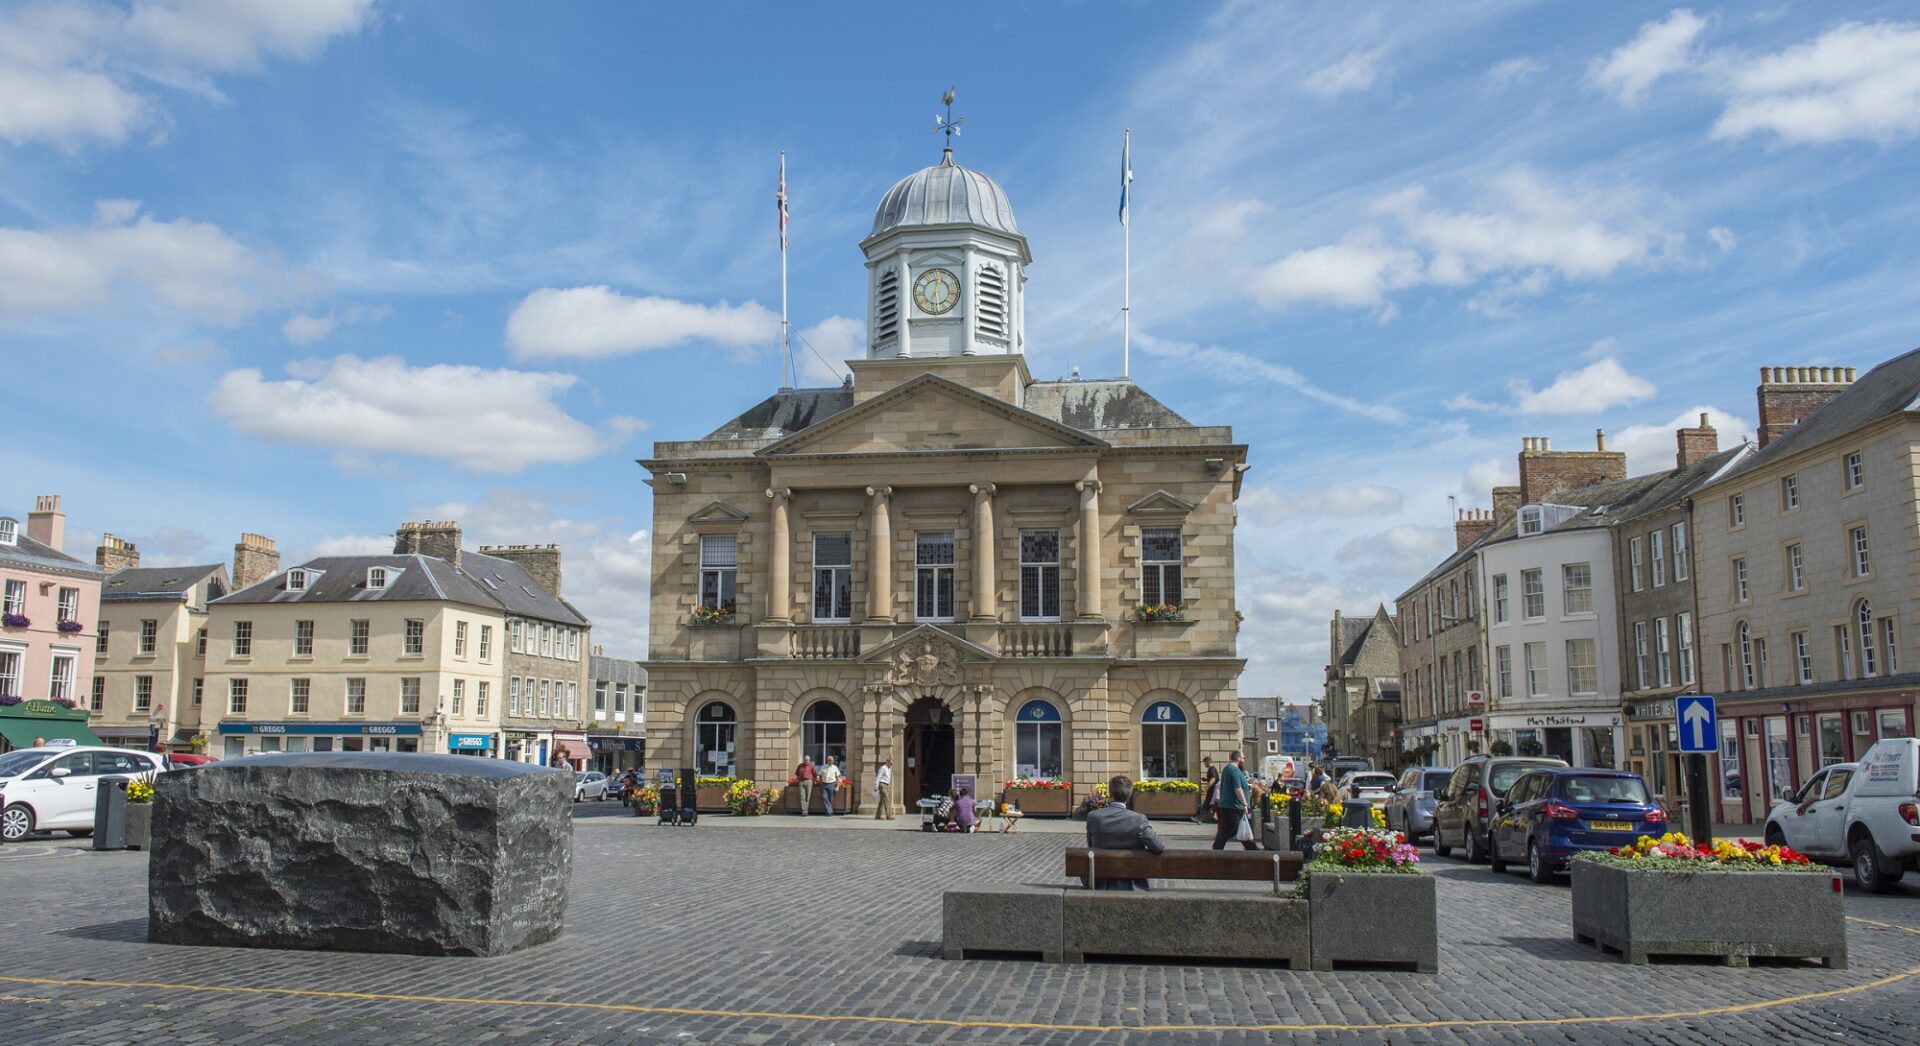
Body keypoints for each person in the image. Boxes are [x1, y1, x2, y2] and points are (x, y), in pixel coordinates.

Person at [1087, 775, 1167, 889]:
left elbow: (1091, 845)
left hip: (1102, 884)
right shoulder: (1138, 819)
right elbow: (1159, 846)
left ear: (1110, 794)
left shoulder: (1093, 817)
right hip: (1132, 885)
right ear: (1129, 795)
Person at [1212, 750, 1257, 850]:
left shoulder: (1228, 769)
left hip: (1227, 805)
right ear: (1238, 758)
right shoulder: (1234, 770)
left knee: (1226, 830)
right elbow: (1237, 788)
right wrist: (1244, 804)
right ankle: (1253, 850)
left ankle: (1216, 850)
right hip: (1234, 806)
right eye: (1243, 758)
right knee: (1240, 827)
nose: (1244, 760)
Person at [1194, 756, 1219, 824]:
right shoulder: (1212, 769)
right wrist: (1206, 779)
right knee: (1210, 805)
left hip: (1213, 791)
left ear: (1208, 762)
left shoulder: (1211, 769)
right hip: (1213, 790)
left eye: (1205, 763)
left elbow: (1213, 779)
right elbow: (1212, 778)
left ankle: (1200, 819)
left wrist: (1206, 788)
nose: (1204, 764)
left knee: (1207, 805)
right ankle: (1211, 819)